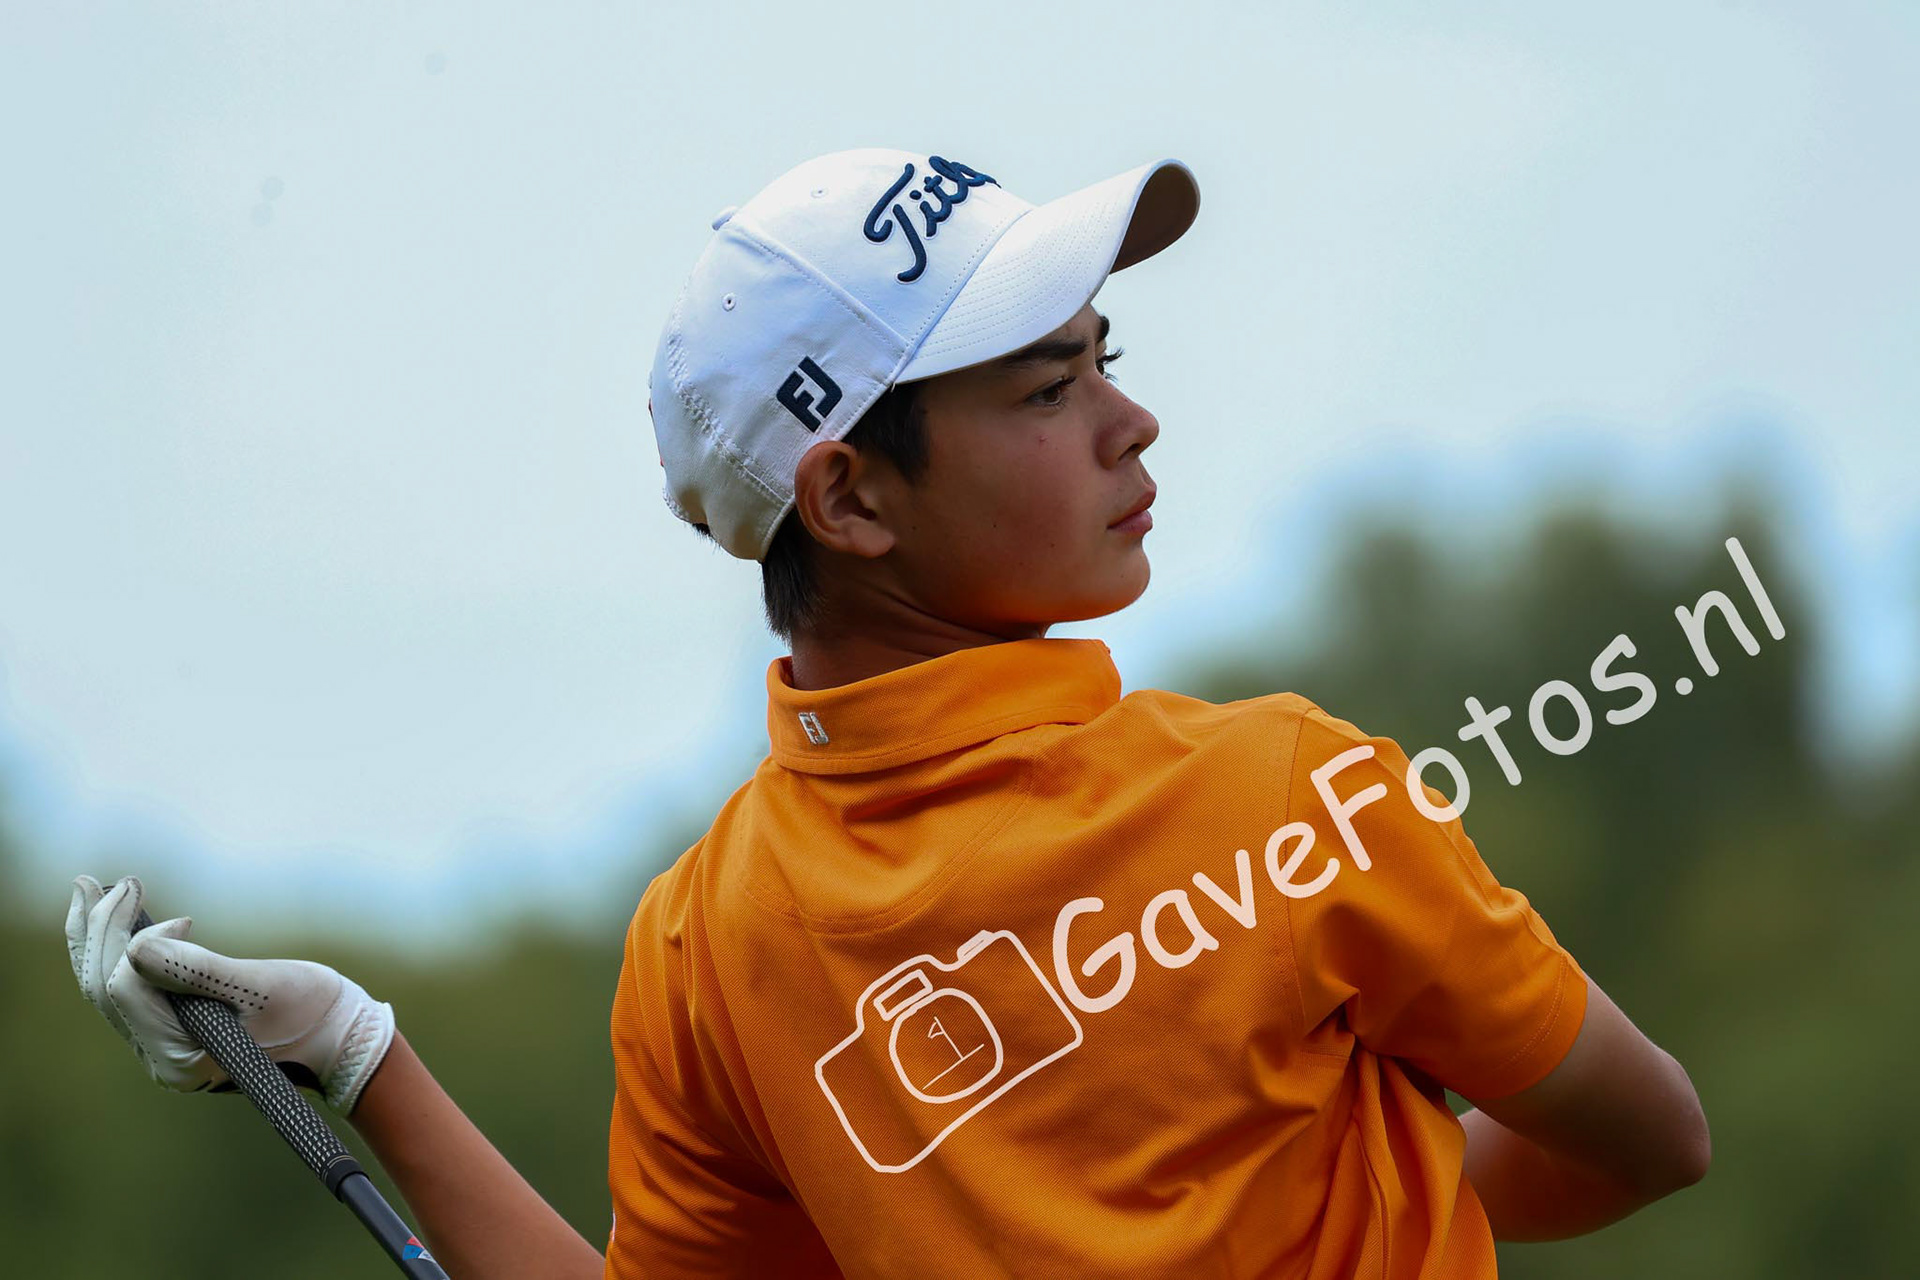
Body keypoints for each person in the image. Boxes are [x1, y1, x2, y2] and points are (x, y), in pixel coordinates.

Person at [65, 147, 1710, 1279]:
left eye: (1101, 358)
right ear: (848, 501)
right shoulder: (1287, 797)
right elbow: (1651, 1135)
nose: (1131, 422)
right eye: (1047, 388)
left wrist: (367, 1063)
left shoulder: (708, 940)